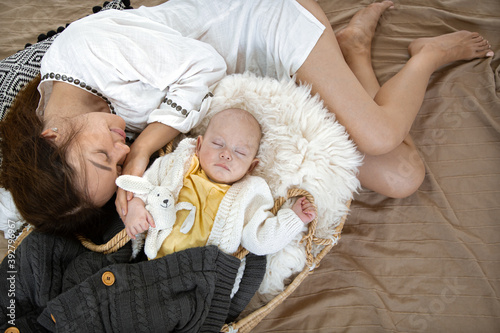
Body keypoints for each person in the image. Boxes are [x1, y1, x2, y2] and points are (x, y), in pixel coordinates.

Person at [0, 0, 493, 239]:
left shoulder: (90, 52)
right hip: (246, 90)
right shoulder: (67, 131)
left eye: (105, 156)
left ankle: (425, 56)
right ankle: (352, 51)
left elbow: (204, 67)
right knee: (402, 174)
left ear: (53, 135)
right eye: (118, 164)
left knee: (381, 134)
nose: (122, 149)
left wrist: (146, 148)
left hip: (261, 27)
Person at [119, 108, 316, 259]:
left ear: (250, 167)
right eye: (217, 144)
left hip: (201, 275)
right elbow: (145, 185)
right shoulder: (176, 164)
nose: (226, 154)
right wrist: (136, 207)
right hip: (152, 259)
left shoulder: (248, 194)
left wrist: (293, 219)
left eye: (240, 152)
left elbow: (259, 240)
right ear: (199, 145)